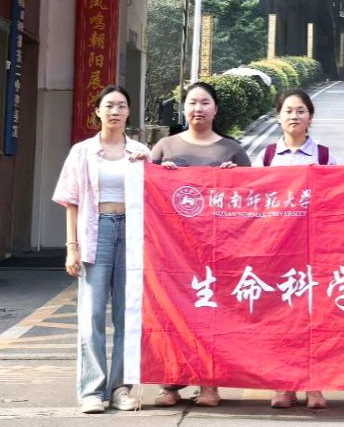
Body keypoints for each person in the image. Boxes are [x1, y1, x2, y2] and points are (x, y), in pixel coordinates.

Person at [147, 81, 250, 408]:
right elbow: (144, 190)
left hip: (218, 251)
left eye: (205, 102)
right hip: (172, 251)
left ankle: (210, 383)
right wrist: (158, 173)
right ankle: (170, 383)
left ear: (215, 109)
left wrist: (235, 179)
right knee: (172, 316)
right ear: (184, 108)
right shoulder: (165, 147)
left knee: (213, 319)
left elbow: (251, 200)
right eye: (192, 102)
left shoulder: (232, 150)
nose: (198, 108)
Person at [53, 85, 151, 415]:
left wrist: (147, 167)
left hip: (132, 234)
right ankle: (92, 390)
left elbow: (157, 193)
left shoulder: (140, 151)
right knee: (92, 314)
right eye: (109, 106)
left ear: (129, 112)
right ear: (97, 111)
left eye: (121, 106)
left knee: (128, 314)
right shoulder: (82, 152)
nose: (115, 111)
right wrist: (71, 247)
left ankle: (121, 388)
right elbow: (71, 202)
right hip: (96, 231)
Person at [261, 90, 332, 410]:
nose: (294, 116)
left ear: (310, 117)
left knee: (316, 319)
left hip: (314, 249)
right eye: (288, 110)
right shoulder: (268, 156)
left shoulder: (325, 155)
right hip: (278, 250)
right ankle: (285, 384)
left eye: (301, 110)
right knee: (281, 319)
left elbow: (339, 198)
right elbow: (252, 196)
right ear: (278, 116)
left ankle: (315, 385)